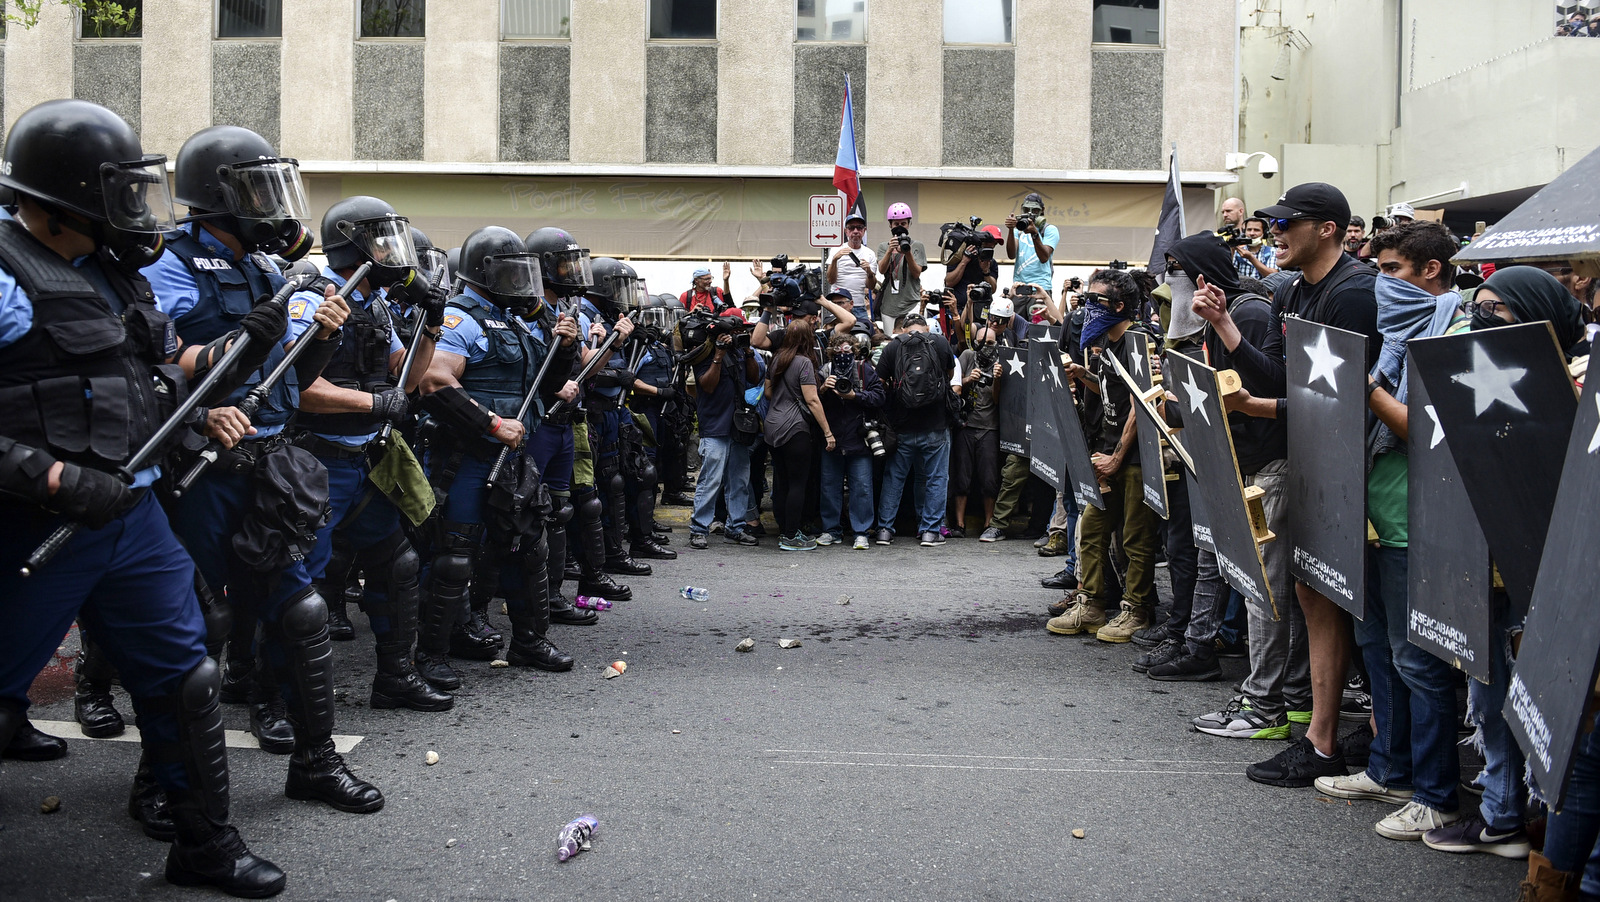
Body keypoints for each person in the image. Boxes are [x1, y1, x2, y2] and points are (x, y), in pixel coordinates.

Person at [0, 98, 284, 897]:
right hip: (36, 526)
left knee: (184, 677)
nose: (137, 208)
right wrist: (51, 477)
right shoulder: (7, 273)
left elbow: (163, 368)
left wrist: (241, 344)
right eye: (120, 191)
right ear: (62, 198)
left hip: (134, 514)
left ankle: (205, 846)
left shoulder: (113, 270)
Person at [146, 125, 385, 818]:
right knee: (194, 626)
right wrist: (199, 416)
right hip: (202, 469)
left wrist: (324, 336)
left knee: (301, 610)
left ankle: (315, 763)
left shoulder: (266, 271)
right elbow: (150, 363)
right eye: (257, 189)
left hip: (268, 466)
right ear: (217, 197)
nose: (273, 205)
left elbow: (285, 379)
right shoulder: (174, 266)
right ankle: (159, 782)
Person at [1197, 182, 1381, 789]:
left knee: (1361, 611)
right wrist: (1226, 326)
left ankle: (1372, 743)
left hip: (1353, 472)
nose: (1273, 233)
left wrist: (1263, 408)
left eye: (1286, 223)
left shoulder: (1354, 293)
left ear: (1327, 228)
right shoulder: (1296, 289)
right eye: (1272, 223)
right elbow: (1284, 377)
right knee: (1312, 597)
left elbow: (1345, 399)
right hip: (1311, 461)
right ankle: (1321, 741)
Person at [1311, 219, 1466, 840]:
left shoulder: (1453, 333)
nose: (1381, 281)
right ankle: (1389, 768)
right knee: (1377, 649)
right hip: (1372, 521)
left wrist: (1365, 392)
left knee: (1419, 662)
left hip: (1415, 527)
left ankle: (1436, 794)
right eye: (1377, 269)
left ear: (1431, 271)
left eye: (1393, 269)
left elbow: (1428, 434)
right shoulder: (1398, 338)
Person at [291, 195, 452, 712]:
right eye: (382, 241)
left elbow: (413, 371)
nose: (392, 252)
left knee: (397, 564)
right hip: (316, 460)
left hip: (366, 461)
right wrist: (372, 400)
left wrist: (431, 321)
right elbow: (296, 386)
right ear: (351, 243)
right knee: (299, 587)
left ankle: (396, 677)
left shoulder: (375, 303)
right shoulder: (312, 296)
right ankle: (273, 699)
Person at [1155, 234, 1304, 741]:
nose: (1169, 281)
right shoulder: (1216, 320)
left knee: (1269, 591)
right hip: (1250, 465)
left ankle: (1268, 704)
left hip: (1271, 470)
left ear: (1201, 274)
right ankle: (1269, 696)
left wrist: (1222, 323)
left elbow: (1266, 390)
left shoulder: (1250, 314)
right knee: (1258, 584)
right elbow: (1224, 401)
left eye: (1176, 270)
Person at [417, 226, 582, 674]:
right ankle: (432, 655)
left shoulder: (514, 319)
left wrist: (564, 348)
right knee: (455, 555)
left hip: (513, 456)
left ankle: (529, 642)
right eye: (511, 272)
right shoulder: (461, 316)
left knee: (524, 545)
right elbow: (433, 380)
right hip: (467, 456)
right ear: (484, 272)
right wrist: (490, 424)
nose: (521, 282)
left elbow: (544, 385)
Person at [1048, 269, 1160, 643]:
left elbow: (1140, 406)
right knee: (1093, 530)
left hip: (1135, 459)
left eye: (1096, 300)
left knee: (1135, 538)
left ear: (1119, 305)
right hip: (1108, 454)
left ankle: (1137, 610)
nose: (1088, 307)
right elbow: (1112, 390)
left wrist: (1116, 458)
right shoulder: (1110, 344)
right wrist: (1082, 374)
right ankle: (1091, 603)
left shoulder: (1137, 341)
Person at [872, 313, 957, 547]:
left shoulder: (893, 346)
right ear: (926, 327)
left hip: (902, 426)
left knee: (894, 478)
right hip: (936, 425)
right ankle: (929, 531)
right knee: (936, 478)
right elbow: (949, 376)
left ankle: (884, 531)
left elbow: (879, 383)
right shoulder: (939, 342)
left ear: (903, 329)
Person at [686, 309, 763, 549]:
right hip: (715, 426)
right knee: (710, 480)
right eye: (736, 332)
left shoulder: (741, 351)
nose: (740, 335)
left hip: (737, 426)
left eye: (742, 332)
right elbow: (706, 386)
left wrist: (748, 351)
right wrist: (719, 353)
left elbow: (754, 377)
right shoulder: (706, 353)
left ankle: (736, 527)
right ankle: (699, 529)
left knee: (739, 480)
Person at [763, 326, 835, 550]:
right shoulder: (804, 362)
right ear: (807, 339)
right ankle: (792, 536)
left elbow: (767, 393)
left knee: (782, 481)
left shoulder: (775, 360)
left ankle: (784, 529)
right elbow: (812, 400)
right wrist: (828, 432)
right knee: (798, 484)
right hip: (795, 427)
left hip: (772, 426)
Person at [816, 330, 885, 549]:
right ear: (830, 352)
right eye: (837, 350)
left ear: (854, 351)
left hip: (859, 439)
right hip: (832, 439)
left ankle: (861, 532)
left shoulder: (864, 370)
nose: (842, 354)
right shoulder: (824, 372)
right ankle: (831, 530)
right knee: (829, 487)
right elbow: (812, 402)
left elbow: (879, 397)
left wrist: (855, 396)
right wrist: (824, 389)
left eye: (846, 350)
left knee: (862, 487)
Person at [952, 321, 1004, 537]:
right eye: (982, 342)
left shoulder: (1001, 362)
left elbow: (998, 400)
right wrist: (967, 379)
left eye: (991, 342)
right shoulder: (967, 356)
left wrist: (999, 379)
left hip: (989, 427)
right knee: (961, 478)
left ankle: (988, 523)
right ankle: (959, 524)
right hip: (966, 424)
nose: (986, 346)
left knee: (989, 479)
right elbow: (954, 388)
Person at [875, 203, 927, 336]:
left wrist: (907, 252)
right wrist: (889, 250)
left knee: (915, 338)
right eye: (896, 224)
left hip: (911, 303)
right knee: (891, 341)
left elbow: (916, 273)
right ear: (890, 225)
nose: (899, 227)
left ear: (909, 224)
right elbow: (881, 270)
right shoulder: (883, 246)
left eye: (903, 224)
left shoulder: (917, 246)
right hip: (889, 306)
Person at [1005, 193, 1059, 297]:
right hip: (1019, 287)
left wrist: (1035, 234)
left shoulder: (1049, 230)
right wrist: (1011, 230)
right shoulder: (1019, 230)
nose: (1030, 213)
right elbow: (1011, 255)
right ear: (1022, 209)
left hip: (1040, 287)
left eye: (1035, 210)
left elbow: (1044, 257)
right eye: (1026, 210)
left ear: (1042, 210)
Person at [826, 212, 877, 310]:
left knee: (863, 326)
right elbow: (830, 280)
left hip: (858, 304)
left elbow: (871, 286)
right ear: (846, 231)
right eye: (851, 228)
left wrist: (869, 272)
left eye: (859, 227)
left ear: (864, 230)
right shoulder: (835, 250)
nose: (855, 231)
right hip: (838, 304)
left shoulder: (870, 253)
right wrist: (835, 260)